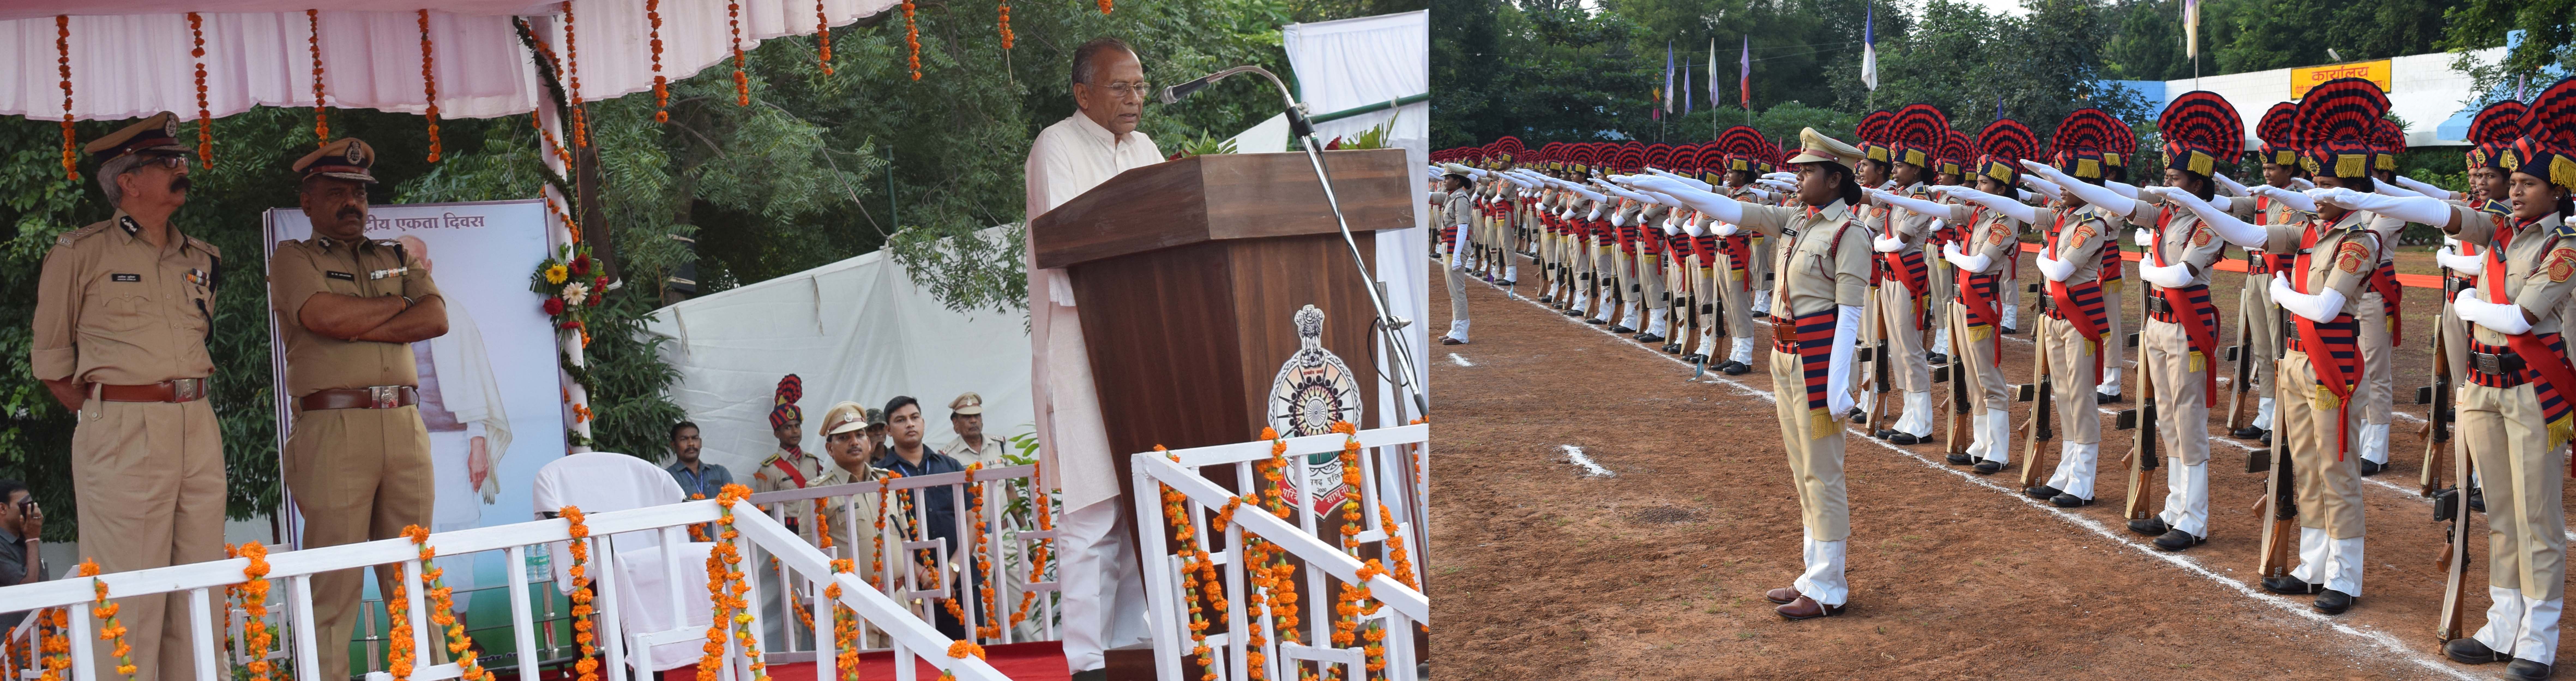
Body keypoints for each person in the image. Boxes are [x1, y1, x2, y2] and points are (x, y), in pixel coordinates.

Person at [1632, 127, 1875, 620]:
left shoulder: (1850, 234)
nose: (1798, 176)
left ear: (1834, 179)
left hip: (1819, 359)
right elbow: (1731, 211)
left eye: (1808, 170)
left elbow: (1850, 315)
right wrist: (1665, 191)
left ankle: (1829, 586)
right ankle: (1812, 574)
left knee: (1822, 472)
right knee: (1800, 469)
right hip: (1784, 356)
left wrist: (1835, 384)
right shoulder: (1794, 221)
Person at [2168, 77, 2387, 616]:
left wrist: (2284, 291)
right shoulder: (2311, 231)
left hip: (2330, 363)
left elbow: (2327, 309)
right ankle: (2313, 564)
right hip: (2295, 361)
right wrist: (2189, 202)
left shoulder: (2359, 237)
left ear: (2349, 189)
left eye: (2321, 181)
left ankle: (2345, 575)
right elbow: (2249, 238)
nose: (2311, 190)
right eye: (2311, 180)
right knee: (2305, 464)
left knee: (2334, 468)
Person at [31, 113, 226, 680]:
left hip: (198, 422)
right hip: (122, 424)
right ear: (127, 182)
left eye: (181, 159)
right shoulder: (80, 254)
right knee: (127, 593)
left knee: (200, 587)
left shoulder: (203, 258)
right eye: (166, 162)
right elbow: (51, 365)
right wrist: (114, 412)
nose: (180, 169)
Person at [269, 137, 451, 681]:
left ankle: (432, 674)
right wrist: (399, 304)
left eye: (359, 194)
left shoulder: (394, 256)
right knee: (335, 582)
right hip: (334, 427)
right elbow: (322, 316)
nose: (353, 203)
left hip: (403, 424)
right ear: (307, 200)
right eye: (337, 192)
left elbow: (436, 318)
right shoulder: (294, 258)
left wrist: (362, 319)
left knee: (413, 577)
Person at [2046, 91, 2255, 551]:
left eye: (2174, 175)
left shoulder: (2208, 222)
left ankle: (2194, 518)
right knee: (2166, 417)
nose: (2165, 181)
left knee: (2188, 421)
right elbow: (2121, 202)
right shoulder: (2167, 213)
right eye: (2165, 175)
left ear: (2197, 183)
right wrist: (2072, 182)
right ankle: (2174, 507)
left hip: (2186, 326)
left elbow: (2182, 275)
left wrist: (2146, 270)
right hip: (2158, 326)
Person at [1022, 35, 1164, 675]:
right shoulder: (1056, 145)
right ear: (1082, 93)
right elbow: (1067, 235)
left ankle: (1131, 646)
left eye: (1139, 86)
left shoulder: (1144, 150)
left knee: (1143, 503)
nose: (1135, 98)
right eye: (1120, 87)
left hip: (1149, 340)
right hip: (1080, 343)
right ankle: (1085, 661)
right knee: (1092, 506)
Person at [1861, 118, 2041, 477]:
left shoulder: (2006, 221)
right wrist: (1883, 196)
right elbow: (1940, 212)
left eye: (1984, 183)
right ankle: (1982, 441)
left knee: (1987, 374)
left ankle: (1999, 449)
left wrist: (1954, 254)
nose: (1977, 187)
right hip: (1962, 299)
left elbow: (1978, 262)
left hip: (1981, 302)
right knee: (1972, 375)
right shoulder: (1980, 213)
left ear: (2002, 188)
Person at [394, 234, 511, 532]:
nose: (409, 267)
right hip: (397, 443)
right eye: (401, 260)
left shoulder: (452, 314)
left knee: (459, 530)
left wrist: (478, 446)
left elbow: (473, 385)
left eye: (416, 261)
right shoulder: (377, 314)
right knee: (406, 534)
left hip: (449, 442)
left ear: (429, 266)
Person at [874, 396, 976, 639]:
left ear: (923, 422)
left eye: (914, 418)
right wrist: (923, 575)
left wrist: (952, 569)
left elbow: (973, 521)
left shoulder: (952, 466)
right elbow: (885, 534)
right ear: (888, 430)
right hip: (909, 588)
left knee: (974, 657)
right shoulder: (880, 476)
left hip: (961, 583)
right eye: (901, 420)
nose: (910, 424)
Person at [813, 402, 884, 578]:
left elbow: (905, 539)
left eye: (860, 435)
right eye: (844, 438)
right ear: (830, 449)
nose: (854, 442)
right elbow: (810, 552)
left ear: (868, 442)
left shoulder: (887, 481)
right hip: (851, 600)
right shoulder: (818, 492)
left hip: (899, 596)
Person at [0, 480, 49, 631]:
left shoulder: (25, 539)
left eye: (32, 505)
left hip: (40, 637)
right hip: (12, 645)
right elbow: (28, 590)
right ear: (3, 509)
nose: (32, 511)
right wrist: (33, 540)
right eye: (24, 506)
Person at [1439, 172, 1475, 344]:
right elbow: (1429, 195)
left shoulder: (1461, 199)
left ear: (1457, 181)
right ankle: (1456, 328)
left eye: (1448, 178)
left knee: (1457, 290)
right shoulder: (1452, 196)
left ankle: (1461, 332)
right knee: (1454, 291)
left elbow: (1462, 228)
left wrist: (1458, 257)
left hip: (1456, 245)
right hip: (1450, 244)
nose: (1444, 181)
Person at [664, 421, 733, 500]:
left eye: (695, 438)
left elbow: (733, 501)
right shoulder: (667, 477)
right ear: (673, 445)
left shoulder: (720, 472)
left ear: (700, 443)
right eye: (684, 439)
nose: (691, 444)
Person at [941, 392, 1010, 466]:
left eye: (977, 415)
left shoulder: (998, 445)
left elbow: (1009, 476)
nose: (974, 421)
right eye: (967, 417)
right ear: (956, 423)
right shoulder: (948, 455)